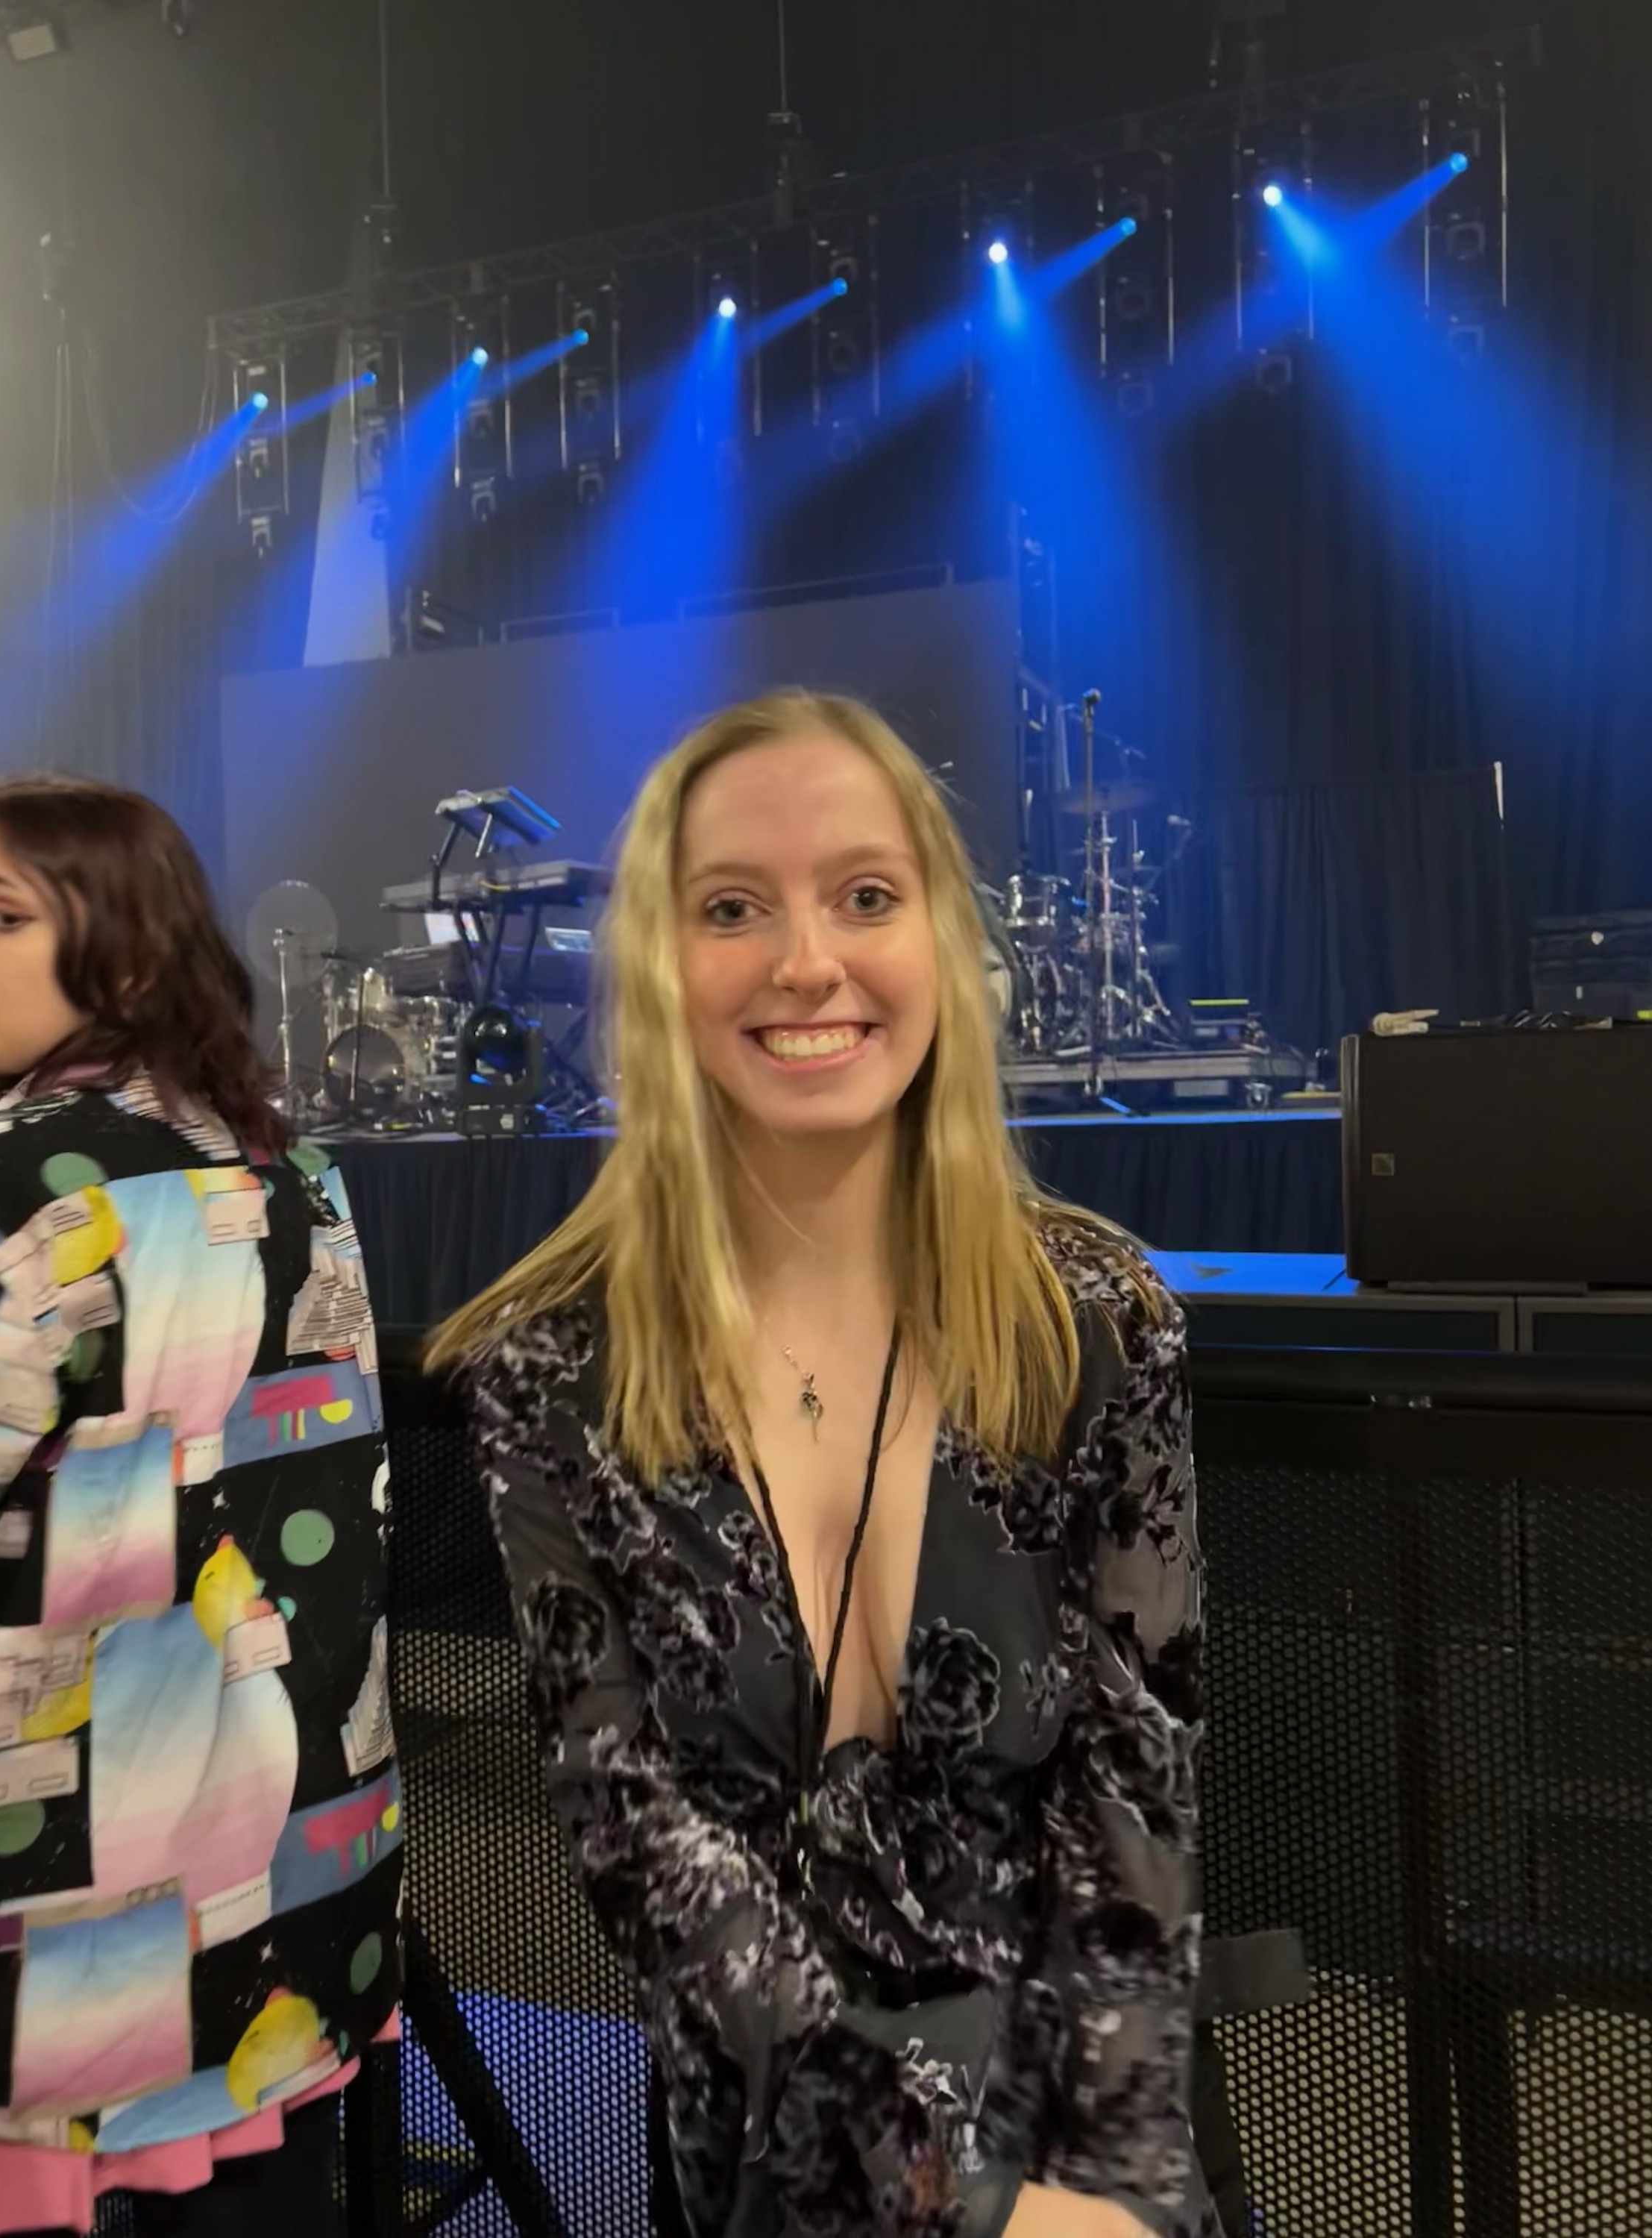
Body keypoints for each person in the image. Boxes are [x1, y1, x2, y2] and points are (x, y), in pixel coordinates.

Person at [432, 692, 1212, 2238]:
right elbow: (640, 1849)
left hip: (1091, 2156)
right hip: (776, 2171)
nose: (807, 961)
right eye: (735, 908)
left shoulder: (1099, 1324)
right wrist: (964, 2204)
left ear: (942, 938)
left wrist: (1103, 2192)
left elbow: (1137, 1790)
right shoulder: (545, 1372)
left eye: (865, 895)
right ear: (659, 967)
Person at [0, 777, 400, 2238]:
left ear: (134, 955)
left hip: (58, 1959)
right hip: (291, 1905)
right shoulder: (299, 1178)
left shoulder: (3, 1199)